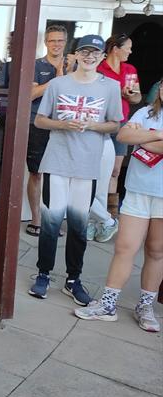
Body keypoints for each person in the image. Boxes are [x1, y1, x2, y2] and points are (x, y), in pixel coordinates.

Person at [28, 35, 122, 306]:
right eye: (84, 51)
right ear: (76, 54)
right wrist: (63, 125)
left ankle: (73, 280)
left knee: (79, 227)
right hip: (56, 162)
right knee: (50, 223)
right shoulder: (58, 84)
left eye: (95, 52)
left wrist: (91, 126)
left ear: (103, 56)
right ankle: (43, 274)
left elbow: (114, 124)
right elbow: (40, 120)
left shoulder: (111, 88)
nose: (89, 57)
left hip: (87, 165)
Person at [75, 78, 163, 332]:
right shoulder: (146, 112)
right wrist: (156, 134)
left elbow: (135, 138)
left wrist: (142, 137)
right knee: (124, 247)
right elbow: (123, 135)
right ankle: (108, 304)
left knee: (157, 251)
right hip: (137, 191)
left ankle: (145, 307)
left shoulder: (143, 119)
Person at [25, 25, 69, 237]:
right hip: (38, 124)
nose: (56, 44)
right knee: (36, 173)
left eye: (60, 41)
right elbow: (30, 95)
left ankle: (53, 220)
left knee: (59, 176)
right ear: (46, 43)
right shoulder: (36, 65)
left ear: (65, 42)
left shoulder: (75, 67)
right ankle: (36, 219)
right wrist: (56, 80)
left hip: (65, 127)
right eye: (52, 40)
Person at [96, 34, 141, 218]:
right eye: (128, 48)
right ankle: (94, 214)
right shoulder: (99, 68)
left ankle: (109, 216)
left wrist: (128, 95)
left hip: (121, 122)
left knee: (114, 170)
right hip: (101, 122)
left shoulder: (130, 69)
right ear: (115, 48)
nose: (130, 51)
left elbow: (137, 98)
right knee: (98, 169)